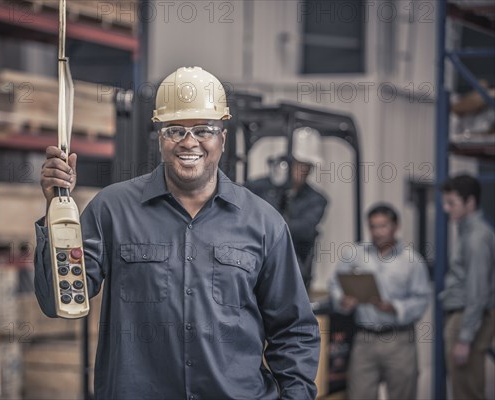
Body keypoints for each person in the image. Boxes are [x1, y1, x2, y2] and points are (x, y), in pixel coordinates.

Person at [35, 66, 320, 399]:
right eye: (175, 130)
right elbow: (59, 301)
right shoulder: (112, 209)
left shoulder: (264, 223)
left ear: (222, 139)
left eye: (203, 129)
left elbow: (294, 330)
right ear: (160, 138)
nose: (189, 142)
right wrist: (57, 210)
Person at [328, 203, 430, 400]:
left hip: (399, 340)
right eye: (373, 227)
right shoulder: (355, 254)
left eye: (383, 226)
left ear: (396, 226)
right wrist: (342, 300)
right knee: (359, 394)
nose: (377, 232)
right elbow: (334, 283)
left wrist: (395, 307)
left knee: (403, 394)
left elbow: (422, 299)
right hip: (364, 339)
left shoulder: (412, 261)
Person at [246, 127, 328, 289]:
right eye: (299, 164)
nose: (303, 171)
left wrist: (265, 226)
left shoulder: (316, 200)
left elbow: (303, 229)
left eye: (307, 166)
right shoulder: (257, 188)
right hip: (252, 260)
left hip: (291, 266)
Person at [440, 174, 495, 400]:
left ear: (470, 202)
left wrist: (464, 338)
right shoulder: (468, 232)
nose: (446, 208)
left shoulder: (476, 238)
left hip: (468, 317)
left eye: (452, 203)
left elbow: (477, 292)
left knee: (467, 390)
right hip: (465, 316)